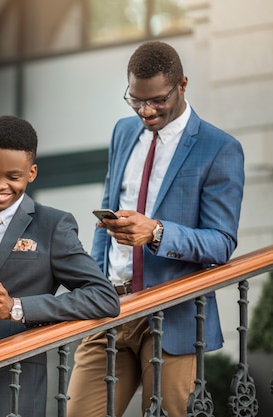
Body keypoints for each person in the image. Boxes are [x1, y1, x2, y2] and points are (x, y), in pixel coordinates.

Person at [66, 41, 245, 417]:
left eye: (158, 101)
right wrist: (95, 281)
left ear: (182, 84)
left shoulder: (219, 148)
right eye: (135, 100)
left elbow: (222, 242)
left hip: (171, 313)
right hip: (110, 306)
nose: (146, 111)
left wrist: (157, 232)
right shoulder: (122, 132)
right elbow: (106, 219)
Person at [0, 115, 121, 417]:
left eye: (13, 177)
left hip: (11, 388)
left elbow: (103, 297)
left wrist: (17, 308)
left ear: (31, 173)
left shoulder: (53, 225)